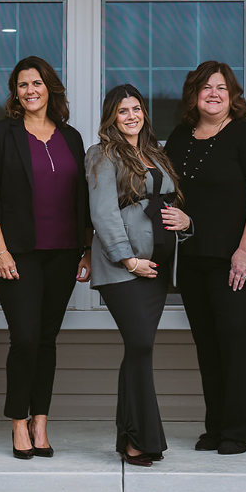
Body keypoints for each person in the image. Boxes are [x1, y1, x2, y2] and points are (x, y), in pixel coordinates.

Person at [0, 55, 91, 459]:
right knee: (24, 338)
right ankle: (18, 423)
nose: (30, 90)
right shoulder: (0, 135)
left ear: (50, 88)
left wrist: (87, 249)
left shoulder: (71, 137)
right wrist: (0, 250)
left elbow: (84, 199)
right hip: (18, 253)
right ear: (15, 92)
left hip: (63, 254)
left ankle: (41, 421)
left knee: (46, 340)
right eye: (23, 84)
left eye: (37, 83)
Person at [165, 61, 246, 455]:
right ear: (193, 94)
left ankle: (238, 430)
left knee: (236, 340)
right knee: (208, 344)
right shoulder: (181, 136)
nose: (213, 94)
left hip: (239, 257)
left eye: (222, 88)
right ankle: (214, 426)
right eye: (206, 87)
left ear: (232, 96)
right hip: (196, 255)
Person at [86, 84, 193, 467]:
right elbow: (103, 213)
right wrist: (128, 260)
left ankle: (132, 437)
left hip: (158, 268)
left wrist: (186, 221)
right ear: (111, 117)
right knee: (141, 346)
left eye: (136, 109)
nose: (131, 116)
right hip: (126, 269)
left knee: (139, 349)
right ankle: (138, 439)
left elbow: (171, 205)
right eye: (122, 111)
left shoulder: (155, 153)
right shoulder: (102, 154)